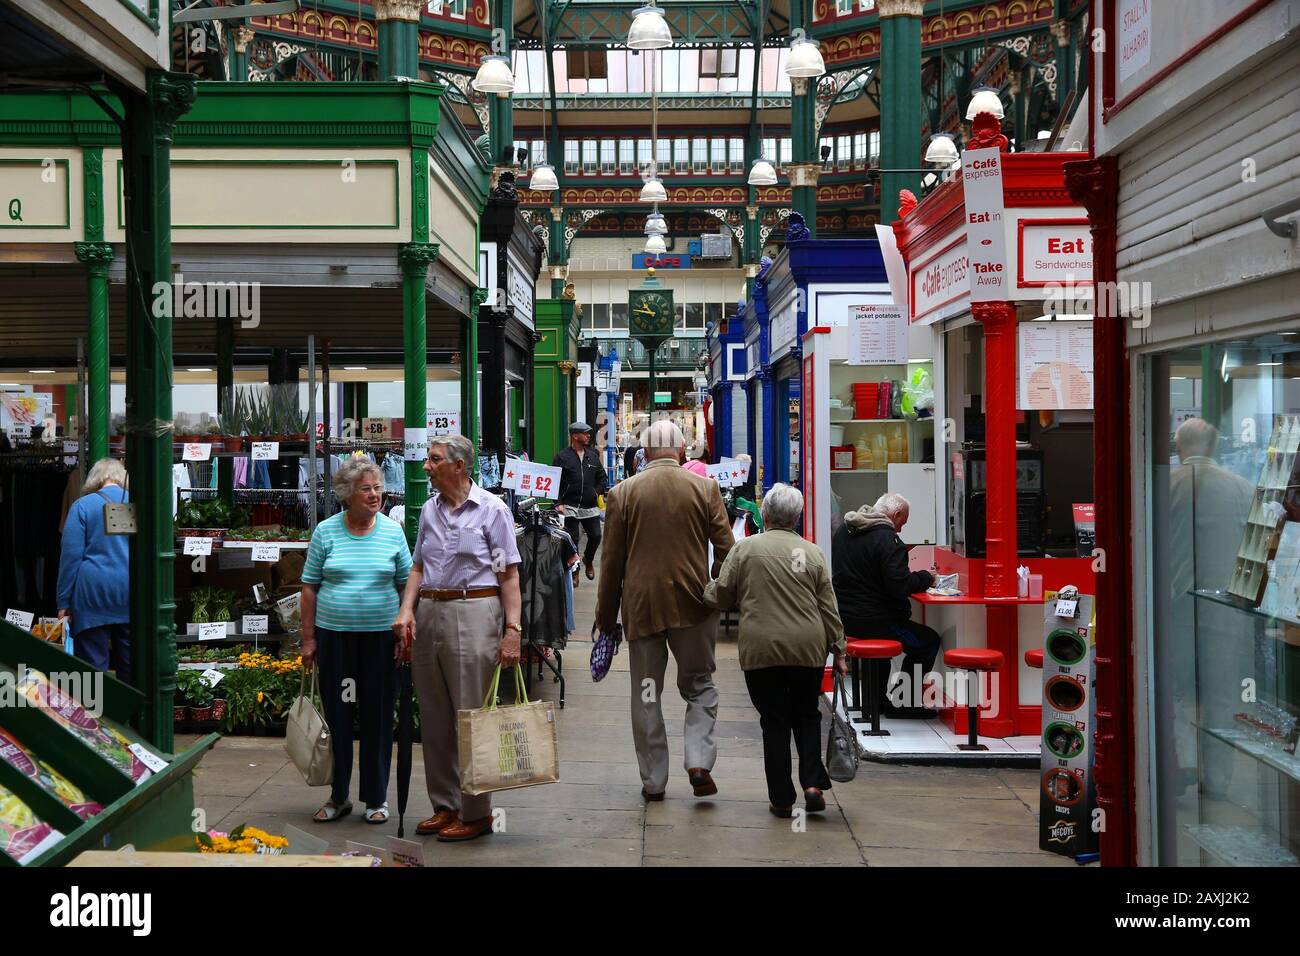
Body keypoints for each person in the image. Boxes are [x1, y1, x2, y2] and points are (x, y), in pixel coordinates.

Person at [596, 419, 735, 801]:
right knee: (700, 685)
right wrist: (717, 590)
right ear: (680, 451)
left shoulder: (623, 493)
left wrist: (606, 616)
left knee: (645, 693)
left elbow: (611, 563)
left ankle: (654, 781)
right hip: (694, 605)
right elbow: (727, 551)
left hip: (642, 608)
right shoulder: (705, 488)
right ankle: (698, 761)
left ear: (645, 452)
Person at [393, 434, 523, 843]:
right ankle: (444, 804)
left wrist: (513, 631)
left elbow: (508, 574)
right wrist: (407, 609)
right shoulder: (428, 511)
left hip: (475, 610)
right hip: (431, 610)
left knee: (471, 714)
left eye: (434, 460)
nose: (426, 466)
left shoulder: (492, 510)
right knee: (433, 715)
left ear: (459, 466)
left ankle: (476, 810)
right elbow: (417, 566)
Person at [704, 483, 846, 818]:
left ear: (764, 514)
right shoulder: (812, 553)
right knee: (807, 715)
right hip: (807, 647)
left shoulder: (745, 550)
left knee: (775, 720)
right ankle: (812, 783)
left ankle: (782, 799)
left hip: (762, 648)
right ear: (797, 517)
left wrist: (701, 589)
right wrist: (839, 650)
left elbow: (722, 596)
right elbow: (829, 607)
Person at [301, 458, 412, 825]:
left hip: (380, 642)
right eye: (366, 489)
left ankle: (376, 798)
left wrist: (405, 629)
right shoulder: (326, 532)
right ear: (347, 494)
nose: (374, 495)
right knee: (339, 717)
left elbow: (405, 583)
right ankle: (338, 796)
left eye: (378, 488)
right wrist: (308, 640)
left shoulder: (393, 532)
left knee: (378, 717)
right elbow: (310, 587)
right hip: (337, 642)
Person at [831, 492, 938, 714]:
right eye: (902, 523)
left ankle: (877, 702)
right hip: (878, 620)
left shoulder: (844, 531)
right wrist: (927, 578)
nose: (900, 529)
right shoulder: (888, 540)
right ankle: (904, 703)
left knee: (883, 651)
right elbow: (899, 585)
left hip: (846, 618)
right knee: (927, 642)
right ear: (896, 514)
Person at [56, 458, 131, 683]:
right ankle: (131, 715)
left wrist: (63, 601)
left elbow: (71, 557)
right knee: (131, 666)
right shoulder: (138, 503)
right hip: (131, 592)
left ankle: (97, 715)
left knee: (93, 670)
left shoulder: (83, 505)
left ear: (94, 478)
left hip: (92, 594)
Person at [553, 421, 608, 584]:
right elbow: (555, 482)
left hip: (589, 505)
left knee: (596, 536)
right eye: (585, 433)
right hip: (569, 505)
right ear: (575, 436)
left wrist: (595, 491)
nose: (589, 435)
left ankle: (588, 560)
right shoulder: (562, 457)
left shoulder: (592, 455)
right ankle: (575, 572)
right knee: (572, 539)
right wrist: (558, 503)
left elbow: (602, 478)